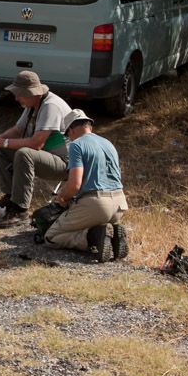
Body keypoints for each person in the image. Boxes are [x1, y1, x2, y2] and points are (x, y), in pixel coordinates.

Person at [0, 71, 72, 228]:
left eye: (20, 94)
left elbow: (36, 144)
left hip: (66, 164)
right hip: (48, 156)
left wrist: (3, 142)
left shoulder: (50, 106)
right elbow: (18, 129)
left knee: (25, 154)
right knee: (3, 150)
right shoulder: (34, 104)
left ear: (32, 93)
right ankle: (10, 198)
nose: (17, 98)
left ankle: (20, 210)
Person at [44, 109, 129, 262]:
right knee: (88, 219)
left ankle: (95, 237)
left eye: (67, 134)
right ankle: (112, 233)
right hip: (119, 205)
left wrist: (61, 197)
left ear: (72, 129)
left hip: (96, 205)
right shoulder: (108, 143)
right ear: (89, 126)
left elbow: (75, 184)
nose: (68, 138)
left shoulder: (76, 145)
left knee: (51, 237)